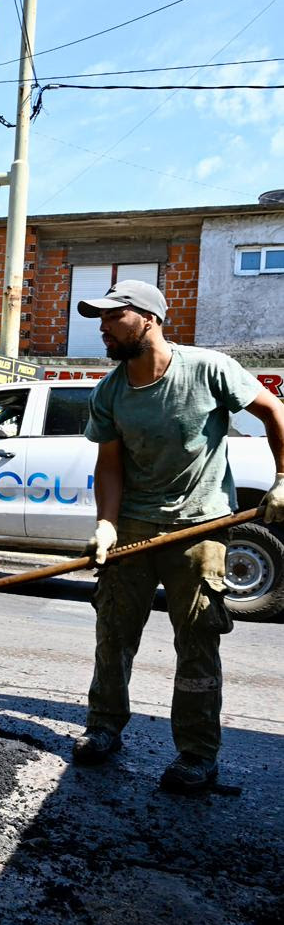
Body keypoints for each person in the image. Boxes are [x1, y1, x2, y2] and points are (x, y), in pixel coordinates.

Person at [71, 280, 284, 793]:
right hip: (135, 530)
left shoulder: (208, 368)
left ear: (148, 317)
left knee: (197, 643)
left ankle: (197, 754)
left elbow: (274, 411)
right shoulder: (111, 390)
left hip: (199, 529)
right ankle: (103, 728)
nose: (101, 327)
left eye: (111, 316)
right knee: (113, 636)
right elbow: (110, 465)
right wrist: (105, 523)